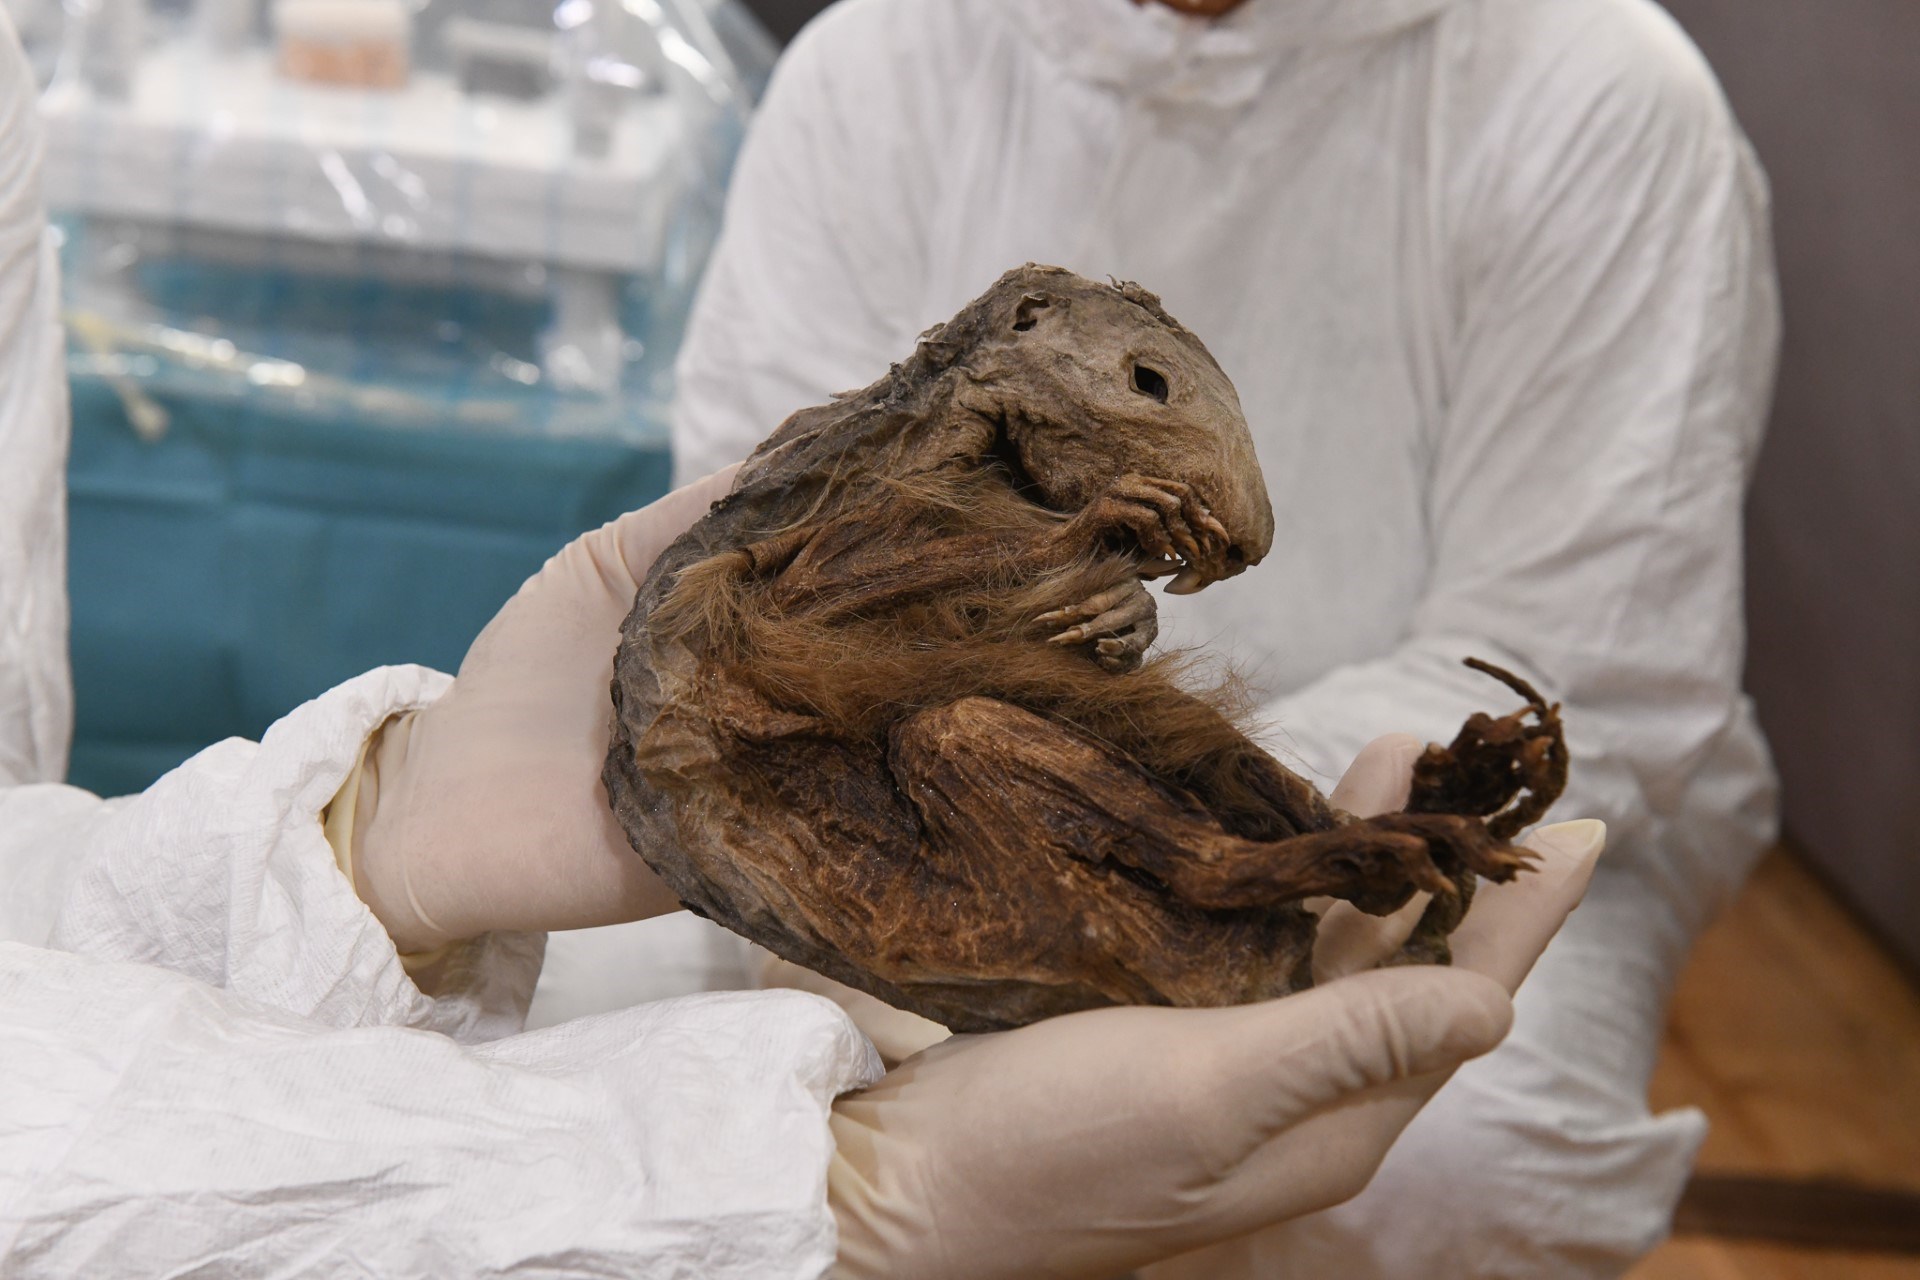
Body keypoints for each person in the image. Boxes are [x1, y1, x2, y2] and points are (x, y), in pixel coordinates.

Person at [0, 12, 1607, 1277]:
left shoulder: (1580, 95)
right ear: (1026, 338)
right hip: (870, 784)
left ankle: (1301, 859)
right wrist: (789, 1197)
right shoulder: (883, 80)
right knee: (994, 780)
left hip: (948, 788)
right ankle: (1265, 873)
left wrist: (356, 851)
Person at [660, 0, 1780, 1274]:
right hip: (915, 767)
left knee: (1439, 1162)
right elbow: (776, 567)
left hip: (1387, 773)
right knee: (736, 1088)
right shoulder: (885, 61)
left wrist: (1178, 842)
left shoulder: (1595, 94)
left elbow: (1571, 641)